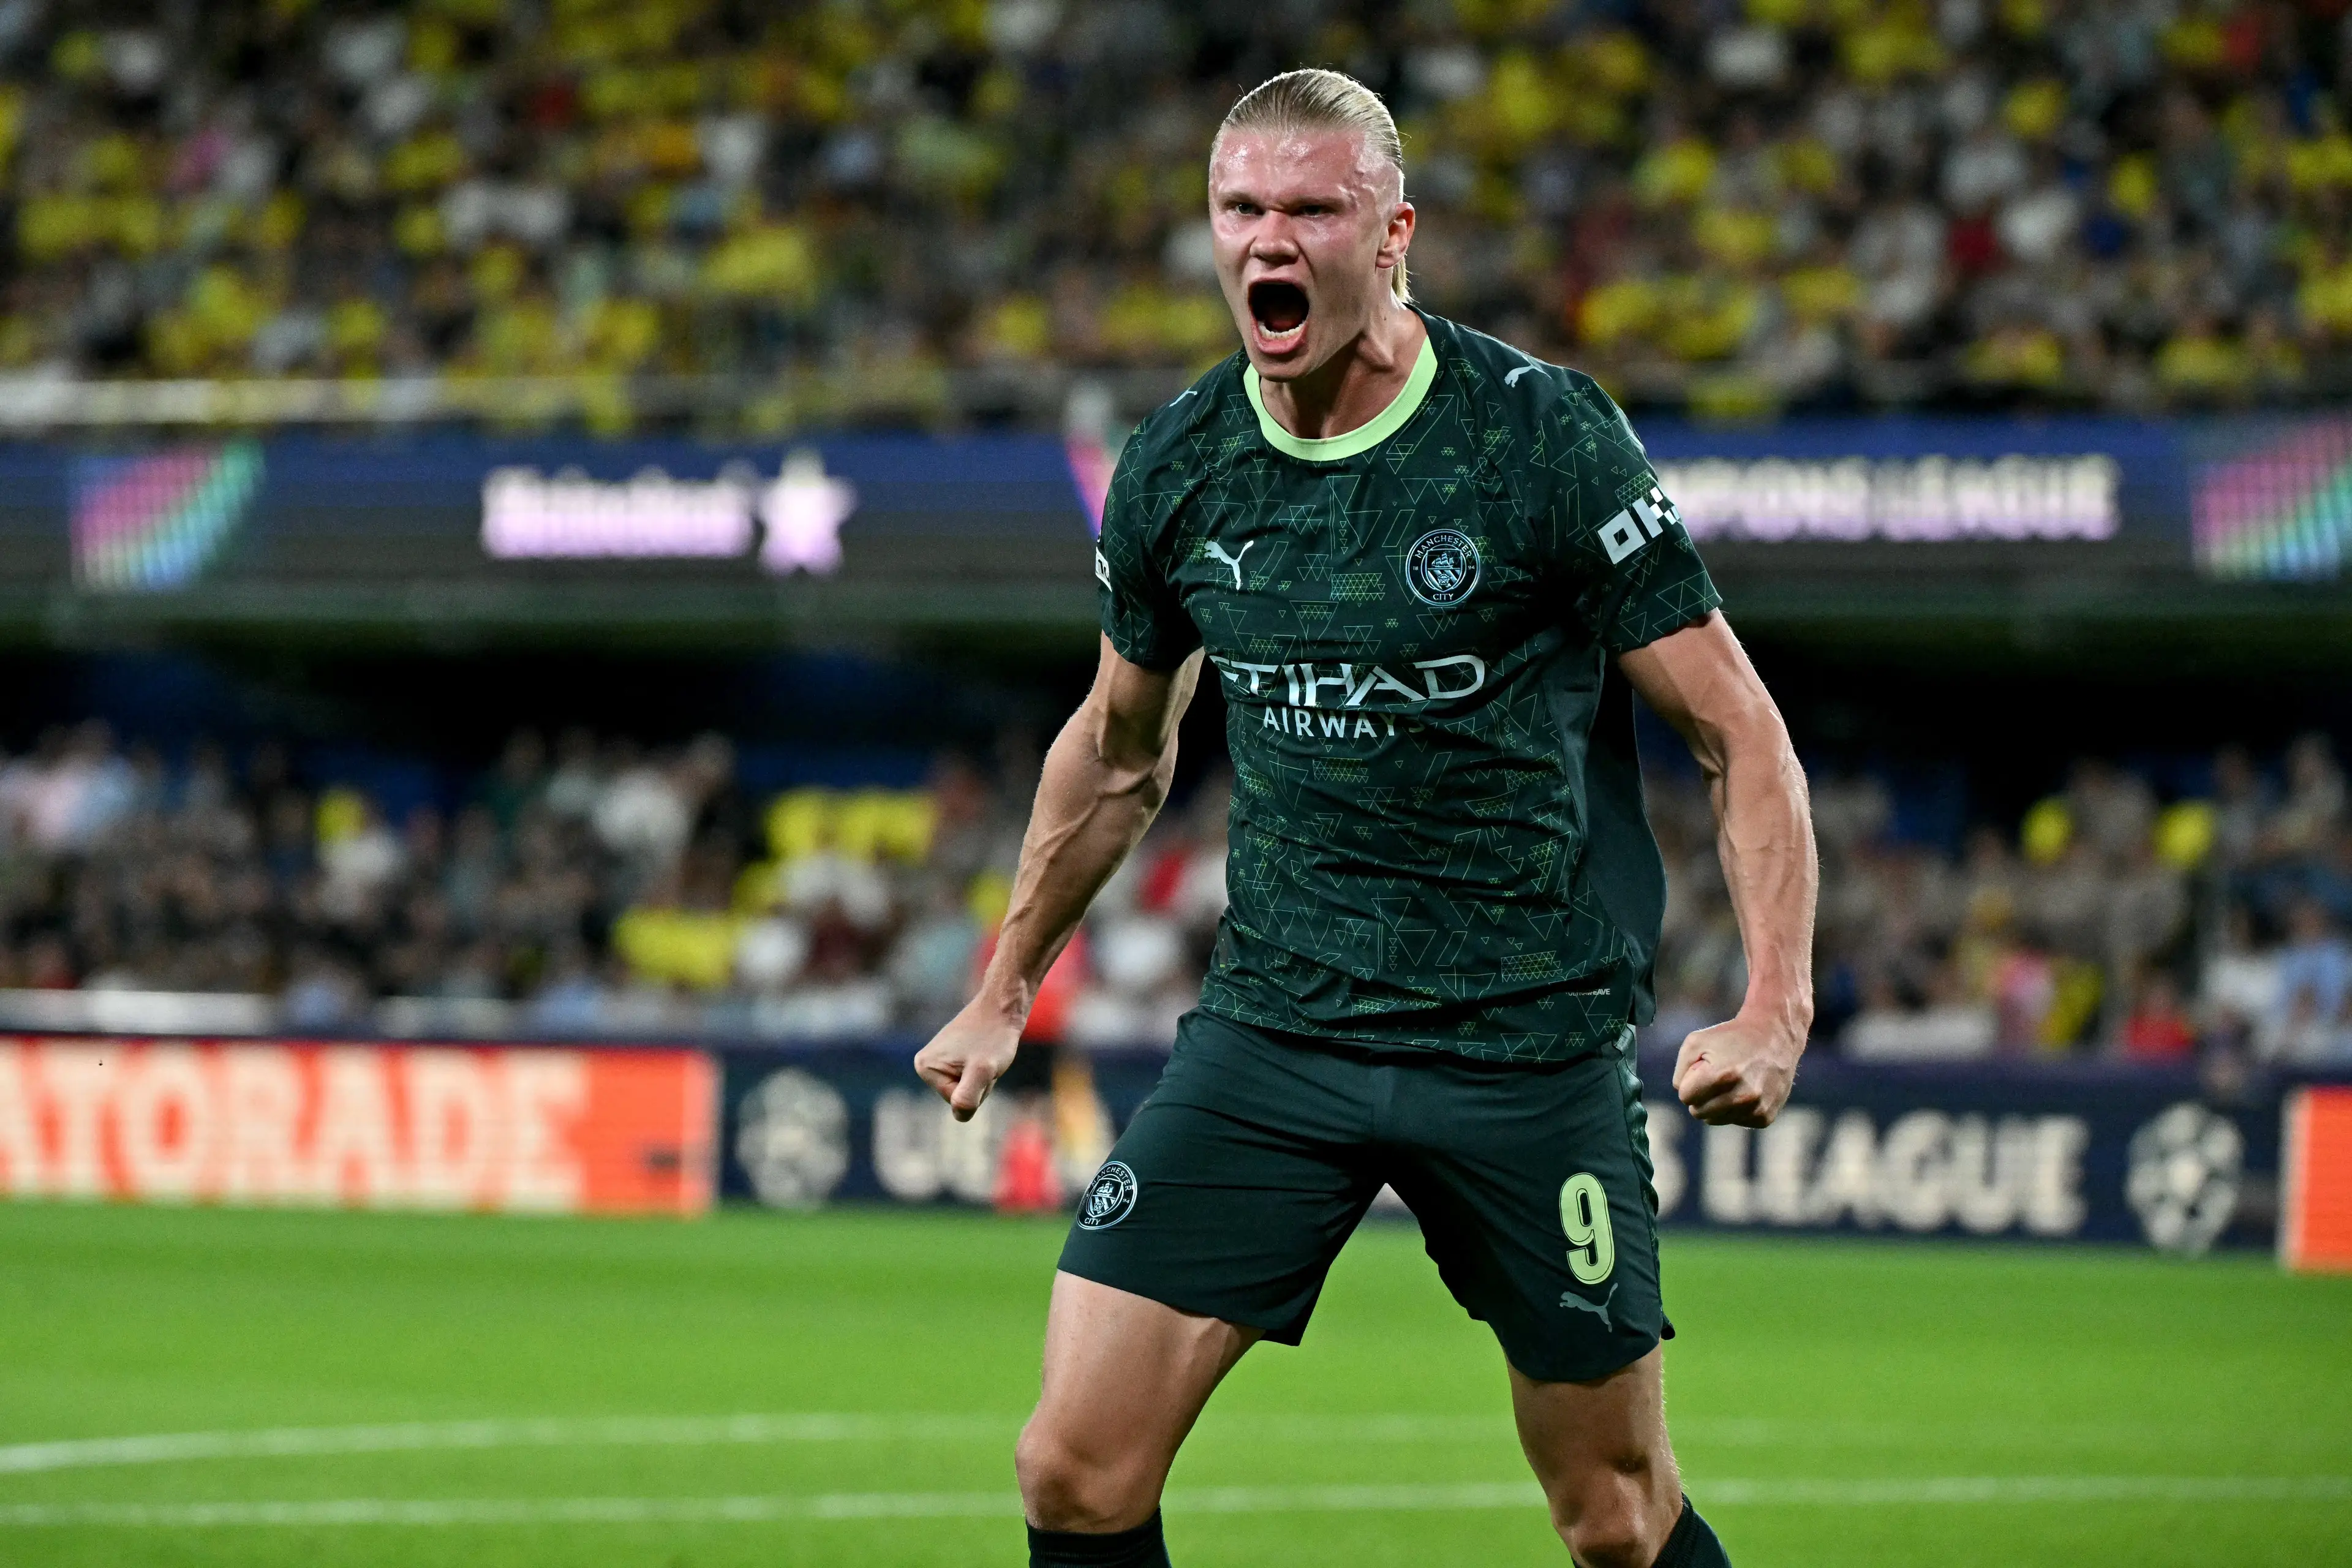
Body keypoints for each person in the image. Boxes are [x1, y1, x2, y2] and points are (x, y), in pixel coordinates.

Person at [915, 69, 1816, 1568]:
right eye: (1242, 209)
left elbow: (1739, 729)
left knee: (1613, 1515)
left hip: (1523, 1037)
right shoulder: (1179, 466)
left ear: (1391, 233)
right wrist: (1002, 984)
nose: (1272, 239)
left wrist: (1775, 1003)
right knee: (1073, 1464)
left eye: (1313, 209)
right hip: (1283, 1027)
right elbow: (1118, 752)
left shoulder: (1536, 435)